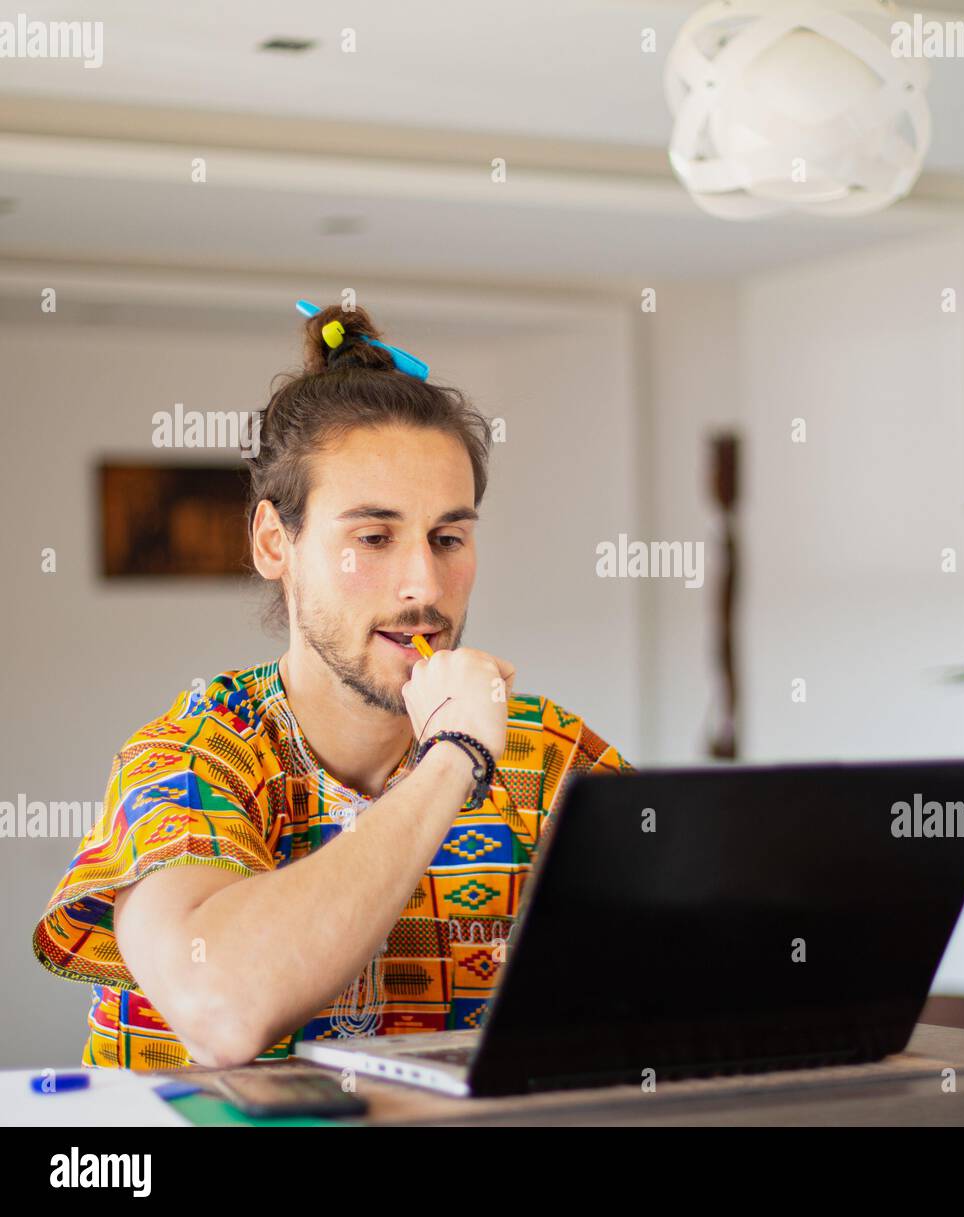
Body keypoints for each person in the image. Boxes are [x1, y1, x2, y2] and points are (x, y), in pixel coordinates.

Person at [32, 303, 634, 1070]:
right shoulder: (191, 756)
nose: (424, 583)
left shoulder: (547, 758)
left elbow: (695, 973)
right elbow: (222, 1008)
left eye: (448, 537)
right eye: (374, 537)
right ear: (274, 541)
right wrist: (450, 761)